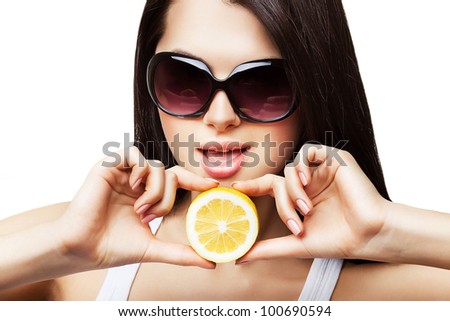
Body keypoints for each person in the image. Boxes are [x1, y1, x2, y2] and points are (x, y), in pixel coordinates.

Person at [1, 0, 450, 300]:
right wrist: (62, 247)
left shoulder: (392, 286)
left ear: (316, 91)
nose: (220, 116)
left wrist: (385, 228)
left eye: (262, 83)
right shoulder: (65, 249)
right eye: (184, 78)